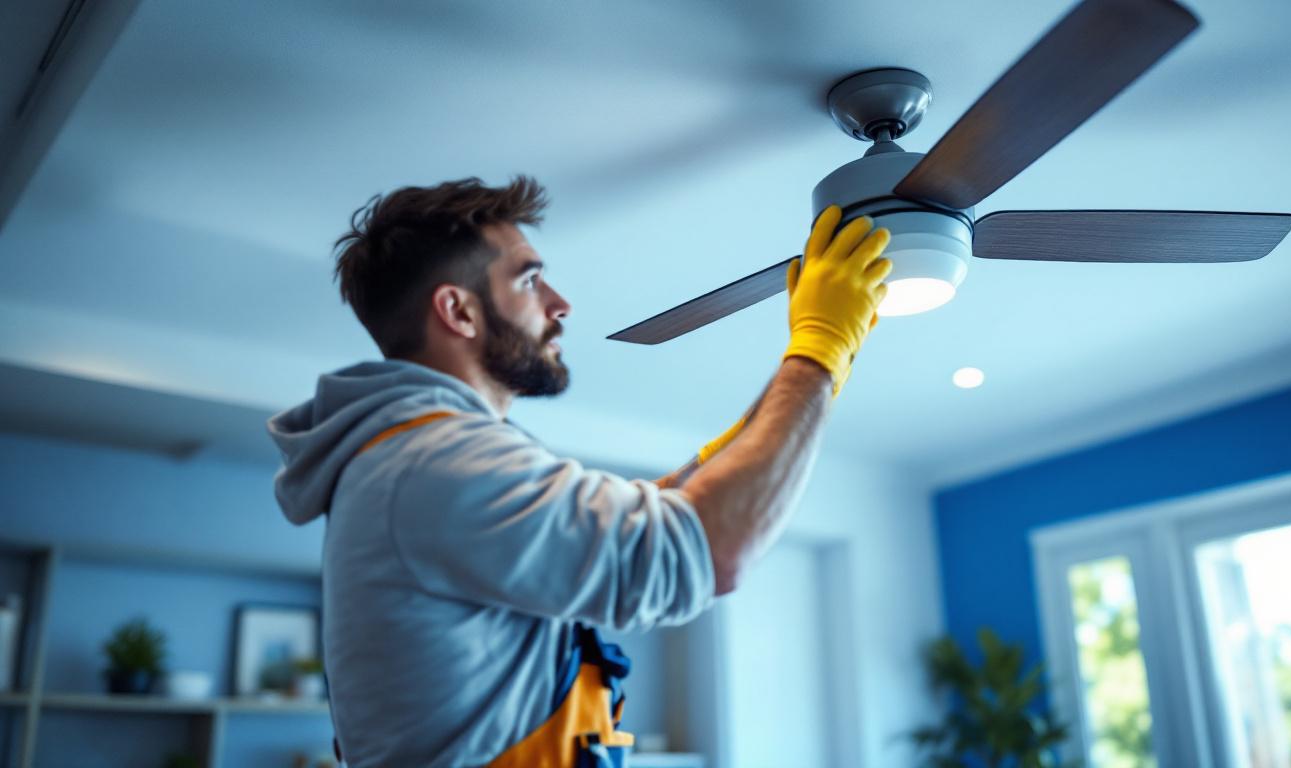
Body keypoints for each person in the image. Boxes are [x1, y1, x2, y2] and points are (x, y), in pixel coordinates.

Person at [266, 176, 891, 767]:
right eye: (531, 280)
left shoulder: (417, 457)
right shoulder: (438, 461)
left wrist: (814, 367)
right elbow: (705, 549)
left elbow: (648, 510)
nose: (560, 305)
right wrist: (817, 353)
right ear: (458, 311)